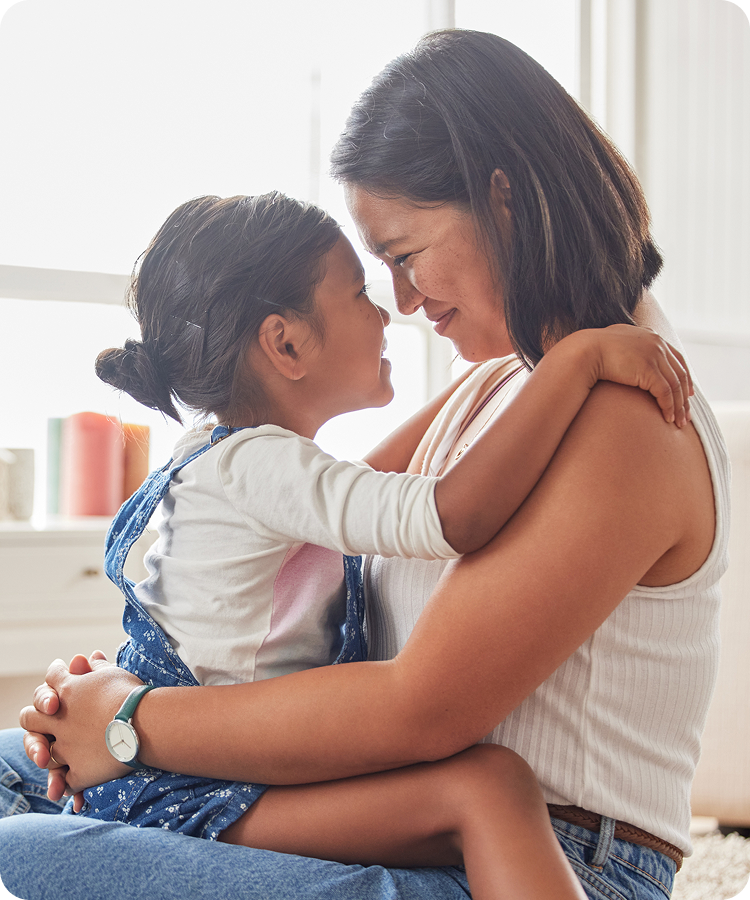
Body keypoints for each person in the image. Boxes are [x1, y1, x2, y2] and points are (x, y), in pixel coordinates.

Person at [0, 28, 726, 900]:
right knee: (14, 770)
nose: (408, 304)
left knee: (19, 855)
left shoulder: (624, 413)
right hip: (395, 817)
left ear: (504, 200)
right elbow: (297, 532)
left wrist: (130, 724)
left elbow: (423, 709)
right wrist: (118, 686)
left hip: (544, 861)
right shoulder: (507, 381)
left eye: (404, 255)